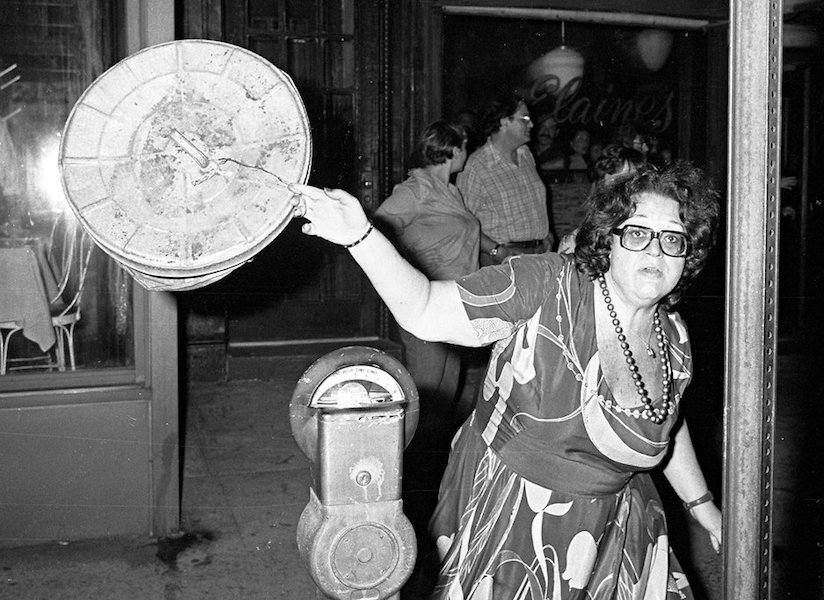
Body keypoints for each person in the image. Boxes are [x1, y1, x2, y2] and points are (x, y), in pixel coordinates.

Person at [291, 161, 723, 599]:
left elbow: (666, 418)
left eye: (673, 239)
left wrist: (701, 503)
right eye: (636, 233)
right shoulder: (545, 286)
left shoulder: (674, 334)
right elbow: (424, 309)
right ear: (607, 241)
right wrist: (360, 237)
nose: (655, 252)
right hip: (515, 523)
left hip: (620, 532)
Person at [373, 121, 479, 432]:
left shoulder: (450, 191)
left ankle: (432, 461)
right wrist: (407, 265)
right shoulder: (416, 189)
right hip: (427, 299)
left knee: (447, 388)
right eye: (465, 147)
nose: (467, 154)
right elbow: (377, 226)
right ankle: (408, 458)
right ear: (454, 150)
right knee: (425, 388)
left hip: (456, 301)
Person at [458, 93, 553, 267]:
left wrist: (546, 235)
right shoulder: (476, 166)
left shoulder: (526, 155)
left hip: (540, 258)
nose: (531, 124)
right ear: (503, 121)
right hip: (503, 262)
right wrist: (496, 250)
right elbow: (462, 221)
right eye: (524, 119)